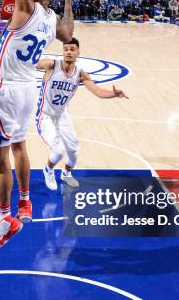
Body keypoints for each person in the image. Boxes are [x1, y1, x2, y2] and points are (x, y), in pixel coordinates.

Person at [0, 0, 74, 248]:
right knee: (20, 146)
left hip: (5, 87)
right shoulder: (51, 22)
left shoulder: (27, 6)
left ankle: (4, 218)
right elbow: (69, 33)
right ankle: (25, 202)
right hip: (27, 89)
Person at [36, 38, 128, 191]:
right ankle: (48, 169)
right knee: (58, 150)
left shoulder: (81, 74)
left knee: (73, 152)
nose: (68, 52)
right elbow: (34, 64)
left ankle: (66, 173)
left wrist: (114, 94)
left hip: (62, 115)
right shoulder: (52, 65)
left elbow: (97, 91)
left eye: (72, 49)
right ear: (62, 51)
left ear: (78, 52)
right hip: (45, 116)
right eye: (66, 49)